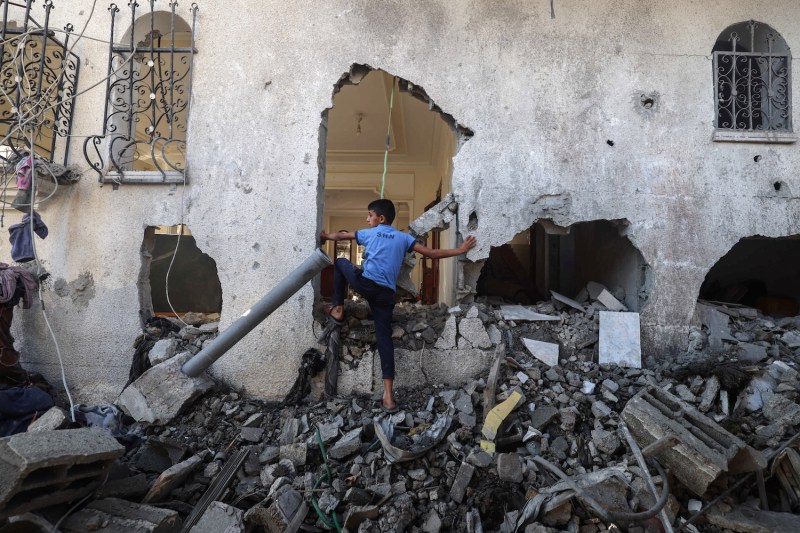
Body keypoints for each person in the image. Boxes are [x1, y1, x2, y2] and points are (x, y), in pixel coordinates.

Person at [320, 198, 476, 413]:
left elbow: (340, 236)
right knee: (385, 341)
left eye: (370, 215)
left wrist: (324, 236)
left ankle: (337, 308)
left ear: (380, 218)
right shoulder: (404, 238)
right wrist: (460, 250)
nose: (367, 219)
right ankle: (388, 397)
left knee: (340, 262)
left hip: (365, 284)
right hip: (385, 295)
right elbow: (431, 253)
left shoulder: (369, 233)